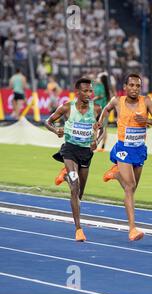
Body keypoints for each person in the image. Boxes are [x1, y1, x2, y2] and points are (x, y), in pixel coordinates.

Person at [98, 73, 152, 241]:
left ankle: (116, 173)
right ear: (125, 87)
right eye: (131, 85)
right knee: (130, 186)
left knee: (132, 188)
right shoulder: (117, 101)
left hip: (139, 149)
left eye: (138, 86)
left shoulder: (146, 101)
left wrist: (146, 121)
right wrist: (99, 123)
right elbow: (105, 110)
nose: (134, 89)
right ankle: (132, 228)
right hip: (123, 149)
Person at [45, 78, 103, 242]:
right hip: (70, 150)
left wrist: (96, 141)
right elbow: (47, 121)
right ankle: (78, 229)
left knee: (80, 194)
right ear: (77, 92)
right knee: (75, 188)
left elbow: (102, 129)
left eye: (90, 91)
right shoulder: (67, 108)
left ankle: (65, 177)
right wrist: (56, 130)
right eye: (85, 91)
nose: (88, 94)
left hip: (85, 153)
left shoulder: (96, 109)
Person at [93, 73, 111, 151]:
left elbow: (100, 96)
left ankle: (101, 146)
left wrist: (93, 99)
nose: (97, 78)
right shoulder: (100, 86)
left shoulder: (102, 87)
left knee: (101, 128)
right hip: (101, 110)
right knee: (100, 127)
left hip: (101, 110)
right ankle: (100, 145)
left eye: (99, 77)